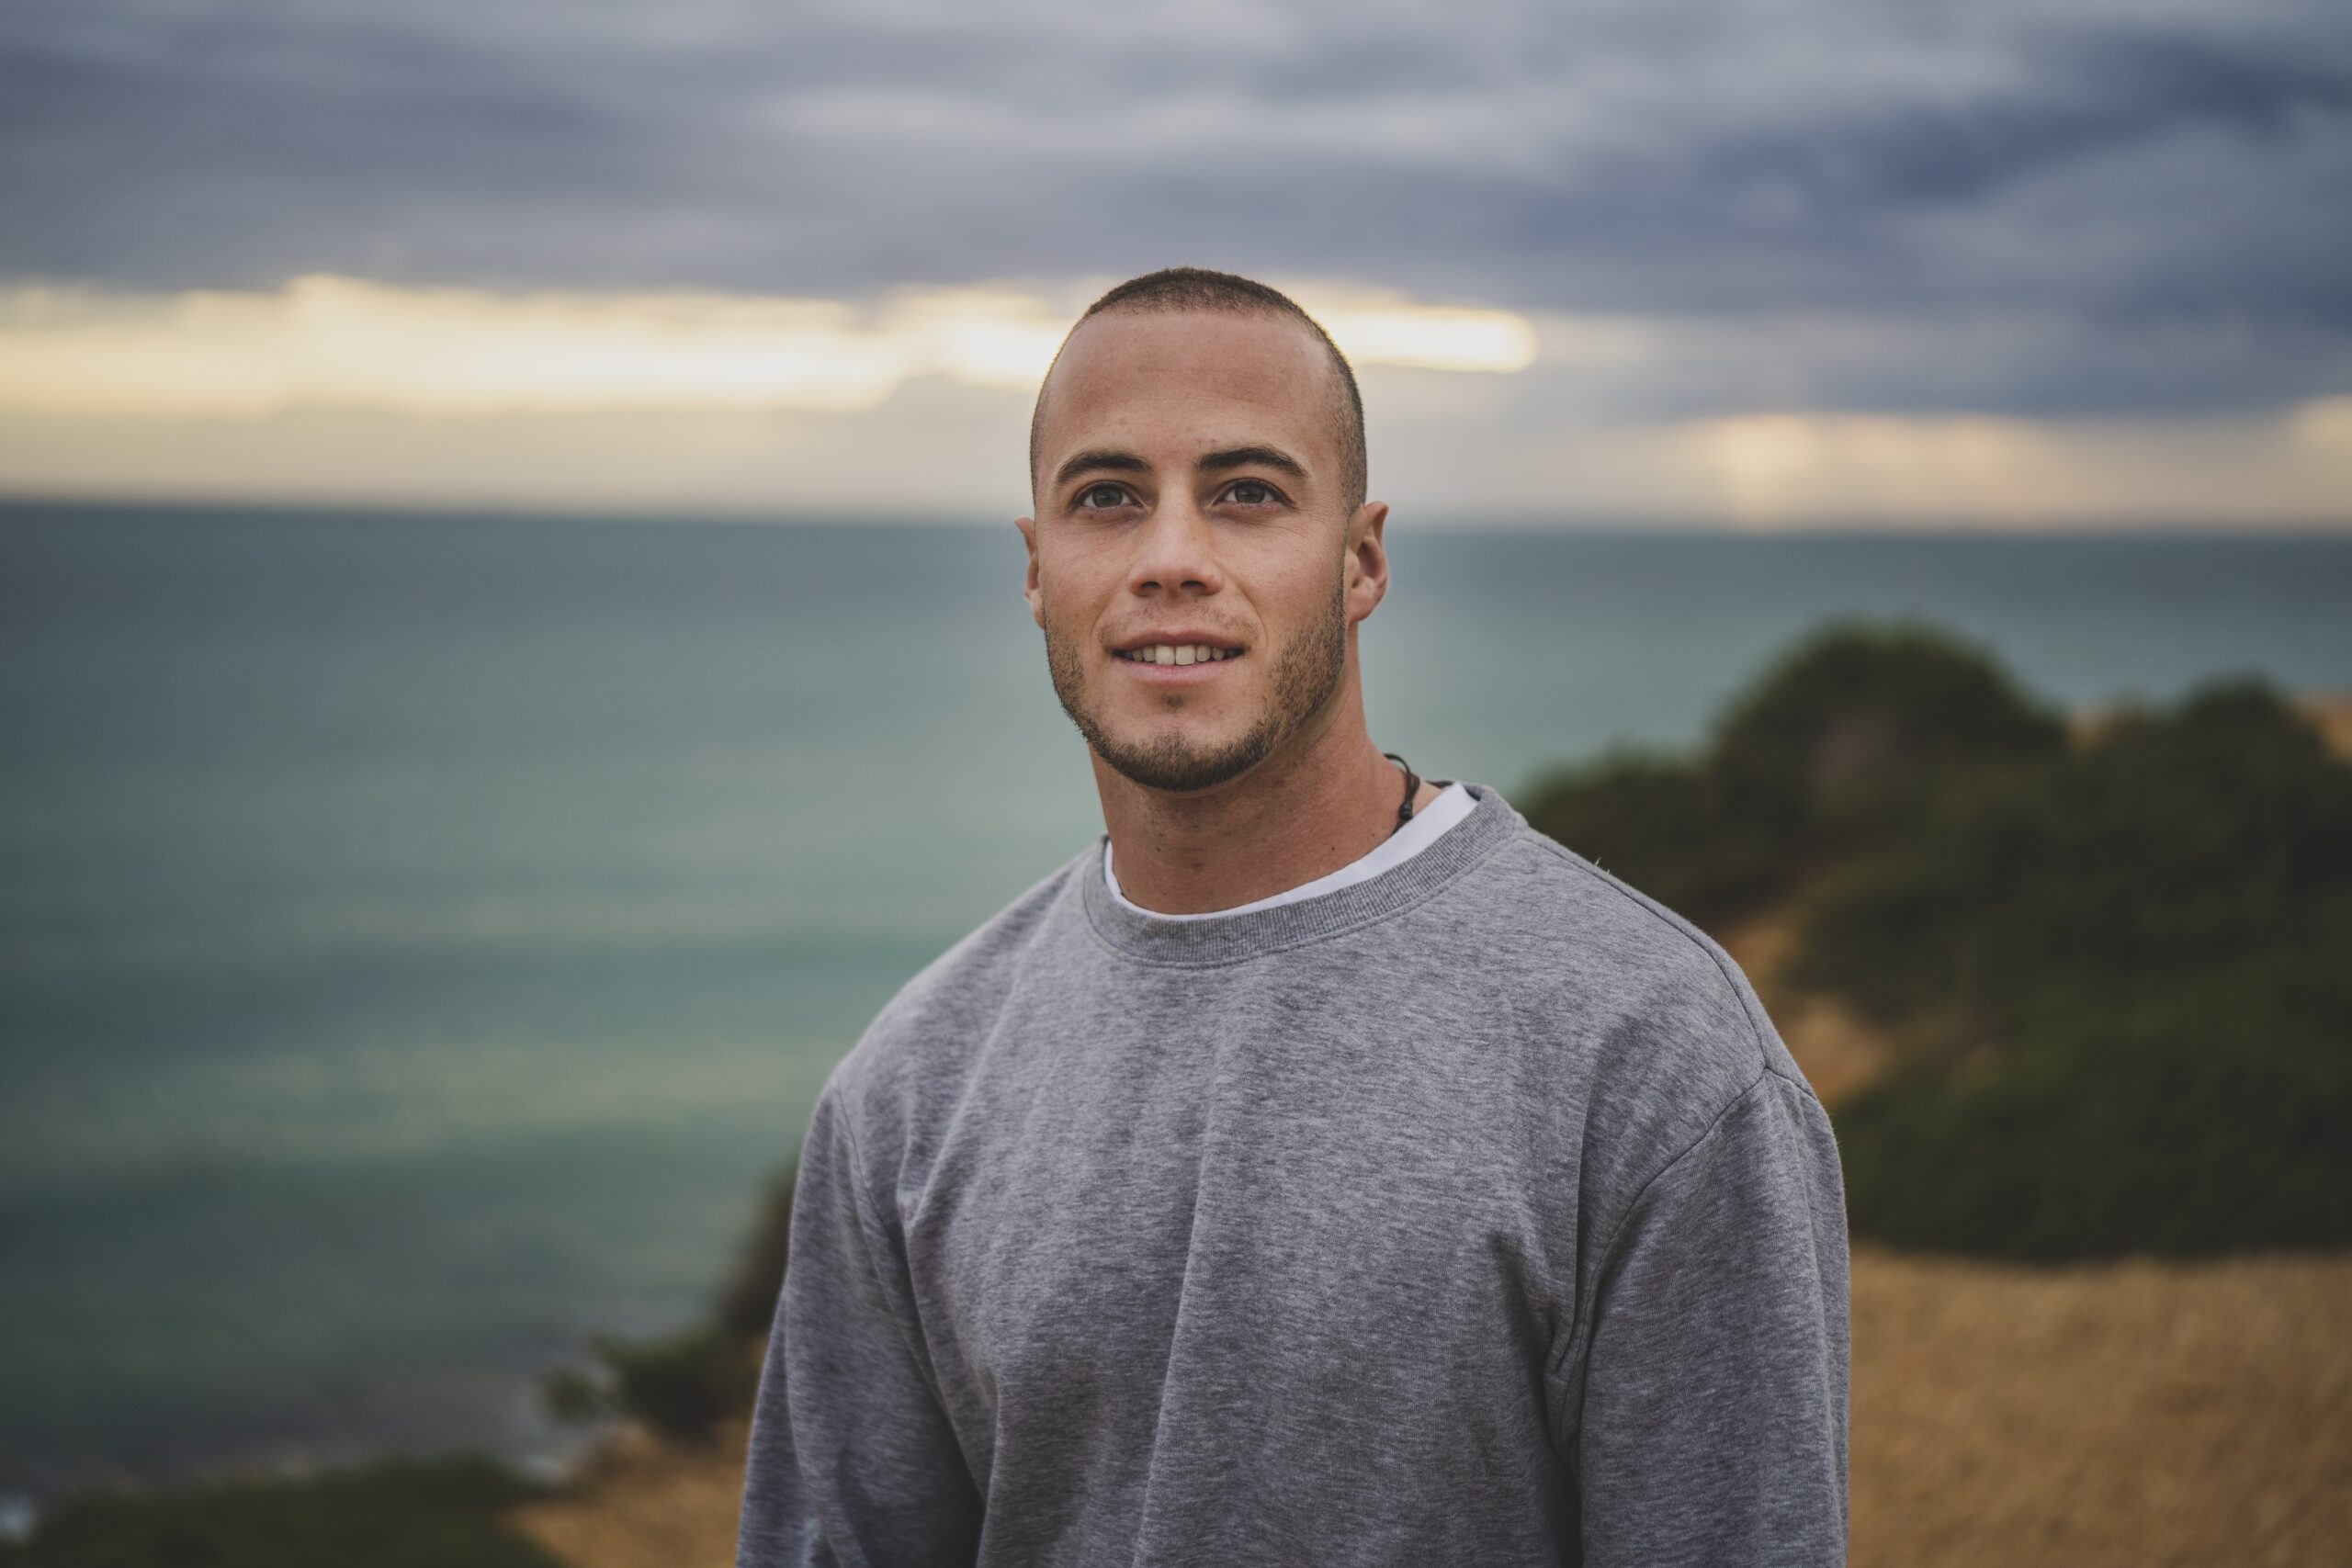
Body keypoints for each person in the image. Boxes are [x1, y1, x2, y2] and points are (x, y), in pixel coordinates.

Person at [734, 266, 1850, 1566]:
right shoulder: (910, 1093)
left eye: (1247, 495)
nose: (1170, 560)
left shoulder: (1652, 1058)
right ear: (1038, 572)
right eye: (1108, 499)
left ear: (1360, 560)